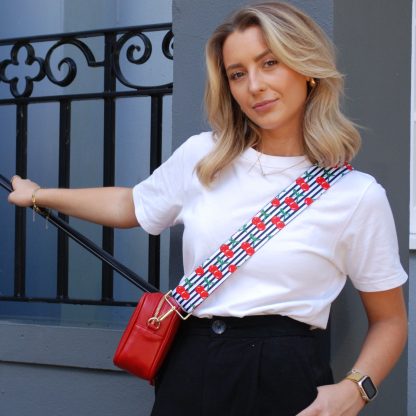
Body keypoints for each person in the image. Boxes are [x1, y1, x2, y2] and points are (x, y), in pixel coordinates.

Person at [8, 2, 407, 415]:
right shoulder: (205, 155)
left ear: (305, 67)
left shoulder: (356, 195)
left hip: (285, 374)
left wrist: (355, 389)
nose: (254, 85)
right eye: (238, 73)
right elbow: (132, 203)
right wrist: (41, 195)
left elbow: (391, 321)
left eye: (270, 63)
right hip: (192, 364)